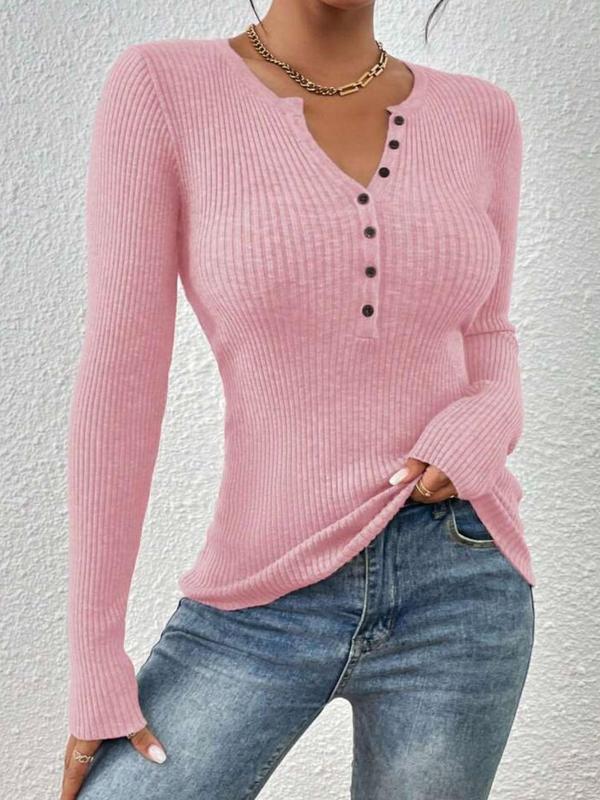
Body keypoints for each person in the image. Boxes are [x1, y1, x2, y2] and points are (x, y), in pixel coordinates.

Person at [61, 3, 536, 798]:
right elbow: (123, 369)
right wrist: (94, 660)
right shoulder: (164, 87)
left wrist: (486, 422)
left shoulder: (483, 115)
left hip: (461, 578)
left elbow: (489, 332)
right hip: (263, 586)